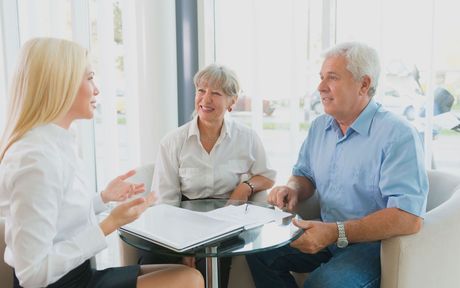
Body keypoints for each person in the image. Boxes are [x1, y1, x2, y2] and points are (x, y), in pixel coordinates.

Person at [0, 37, 204, 288]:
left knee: (181, 272)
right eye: (89, 78)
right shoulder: (35, 159)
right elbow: (32, 275)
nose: (96, 89)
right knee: (189, 280)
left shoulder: (56, 143)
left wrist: (103, 199)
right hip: (57, 284)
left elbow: (57, 218)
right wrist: (109, 224)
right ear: (60, 84)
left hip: (77, 275)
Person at [246, 42, 429, 288]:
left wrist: (335, 232)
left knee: (322, 284)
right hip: (325, 233)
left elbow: (408, 217)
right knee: (258, 249)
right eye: (321, 78)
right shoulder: (320, 127)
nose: (320, 87)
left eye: (332, 78)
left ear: (364, 84)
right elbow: (304, 175)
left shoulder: (398, 134)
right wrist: (292, 189)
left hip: (374, 245)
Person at [140, 64, 276, 287]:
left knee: (211, 266)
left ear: (232, 102)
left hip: (227, 223)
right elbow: (166, 202)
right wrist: (182, 244)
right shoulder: (173, 142)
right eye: (201, 91)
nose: (206, 99)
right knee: (152, 262)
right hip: (180, 220)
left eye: (216, 93)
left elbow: (267, 176)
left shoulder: (247, 138)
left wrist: (245, 188)